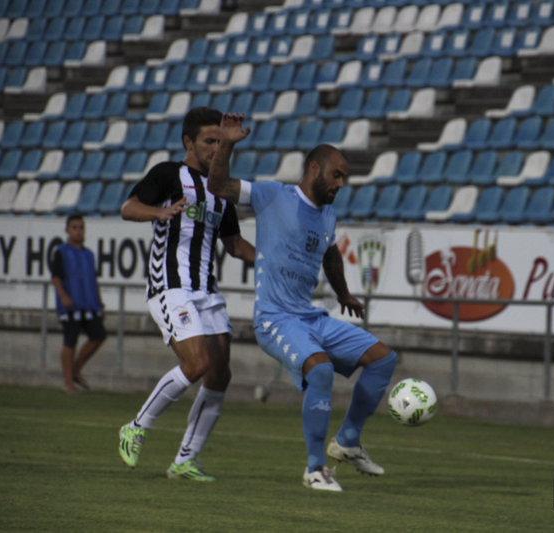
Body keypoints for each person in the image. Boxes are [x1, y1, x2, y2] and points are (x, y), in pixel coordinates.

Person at [207, 114, 397, 492]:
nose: (341, 184)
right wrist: (227, 144)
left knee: (383, 359)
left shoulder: (328, 213)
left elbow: (330, 255)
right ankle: (315, 469)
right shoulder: (272, 195)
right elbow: (218, 184)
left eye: (344, 178)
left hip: (310, 317)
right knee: (321, 370)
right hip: (274, 318)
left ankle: (347, 442)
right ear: (315, 168)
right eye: (337, 175)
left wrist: (343, 294)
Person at [118, 107, 256, 481]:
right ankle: (136, 426)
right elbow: (128, 208)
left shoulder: (220, 189)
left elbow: (235, 245)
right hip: (171, 286)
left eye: (219, 141)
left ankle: (184, 461)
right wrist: (158, 214)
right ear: (188, 142)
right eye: (209, 141)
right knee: (195, 366)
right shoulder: (168, 174)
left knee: (219, 375)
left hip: (206, 291)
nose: (215, 148)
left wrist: (274, 262)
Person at [51, 214, 107, 394]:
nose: (78, 231)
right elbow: (56, 277)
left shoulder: (88, 254)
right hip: (71, 304)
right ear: (67, 230)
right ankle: (68, 382)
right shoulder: (61, 252)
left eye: (81, 227)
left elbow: (93, 279)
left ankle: (75, 370)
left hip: (89, 303)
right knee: (70, 340)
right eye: (74, 227)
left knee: (99, 335)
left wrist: (100, 303)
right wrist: (63, 296)